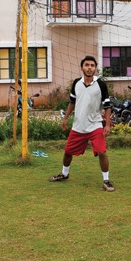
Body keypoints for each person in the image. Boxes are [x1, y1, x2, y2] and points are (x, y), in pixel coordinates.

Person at [49, 55, 115, 191]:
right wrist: (66, 118)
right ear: (82, 67)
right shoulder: (76, 83)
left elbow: (107, 106)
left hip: (95, 125)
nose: (89, 68)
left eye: (92, 65)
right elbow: (72, 102)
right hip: (78, 126)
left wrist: (107, 125)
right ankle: (64, 174)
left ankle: (106, 180)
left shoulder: (101, 85)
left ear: (95, 68)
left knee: (102, 152)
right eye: (87, 65)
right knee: (67, 152)